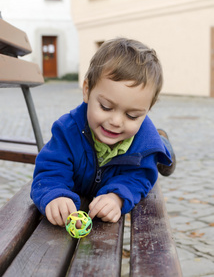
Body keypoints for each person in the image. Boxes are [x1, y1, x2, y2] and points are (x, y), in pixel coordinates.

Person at [31, 37, 176, 227]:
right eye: (106, 107)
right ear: (87, 91)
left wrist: (117, 197)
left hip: (149, 146)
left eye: (132, 116)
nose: (116, 122)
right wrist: (55, 194)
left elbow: (139, 178)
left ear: (147, 110)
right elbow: (50, 169)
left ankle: (163, 145)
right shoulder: (68, 131)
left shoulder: (144, 147)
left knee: (157, 152)